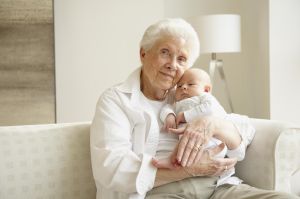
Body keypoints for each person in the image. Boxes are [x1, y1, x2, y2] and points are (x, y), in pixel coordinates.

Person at [90, 18, 299, 199]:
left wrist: (212, 123)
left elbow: (240, 140)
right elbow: (111, 168)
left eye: (181, 59)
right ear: (143, 54)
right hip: (162, 191)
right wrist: (189, 170)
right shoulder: (115, 101)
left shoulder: (187, 94)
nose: (173, 64)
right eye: (165, 52)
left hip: (218, 188)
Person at [155, 68, 240, 187]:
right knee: (182, 149)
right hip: (187, 143)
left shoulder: (205, 98)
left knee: (193, 149)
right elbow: (166, 108)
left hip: (210, 142)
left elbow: (209, 108)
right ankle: (170, 161)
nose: (183, 87)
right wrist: (169, 115)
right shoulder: (177, 103)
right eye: (179, 86)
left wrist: (185, 115)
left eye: (190, 84)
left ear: (206, 89)